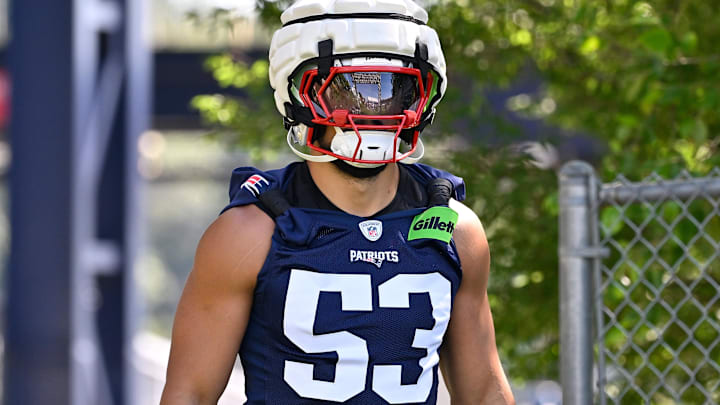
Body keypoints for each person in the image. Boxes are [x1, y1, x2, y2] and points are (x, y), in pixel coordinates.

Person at [160, 0, 515, 404]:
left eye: (394, 91)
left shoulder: (456, 229)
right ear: (298, 94)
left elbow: (484, 392)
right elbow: (190, 394)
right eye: (350, 92)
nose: (373, 111)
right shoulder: (249, 233)